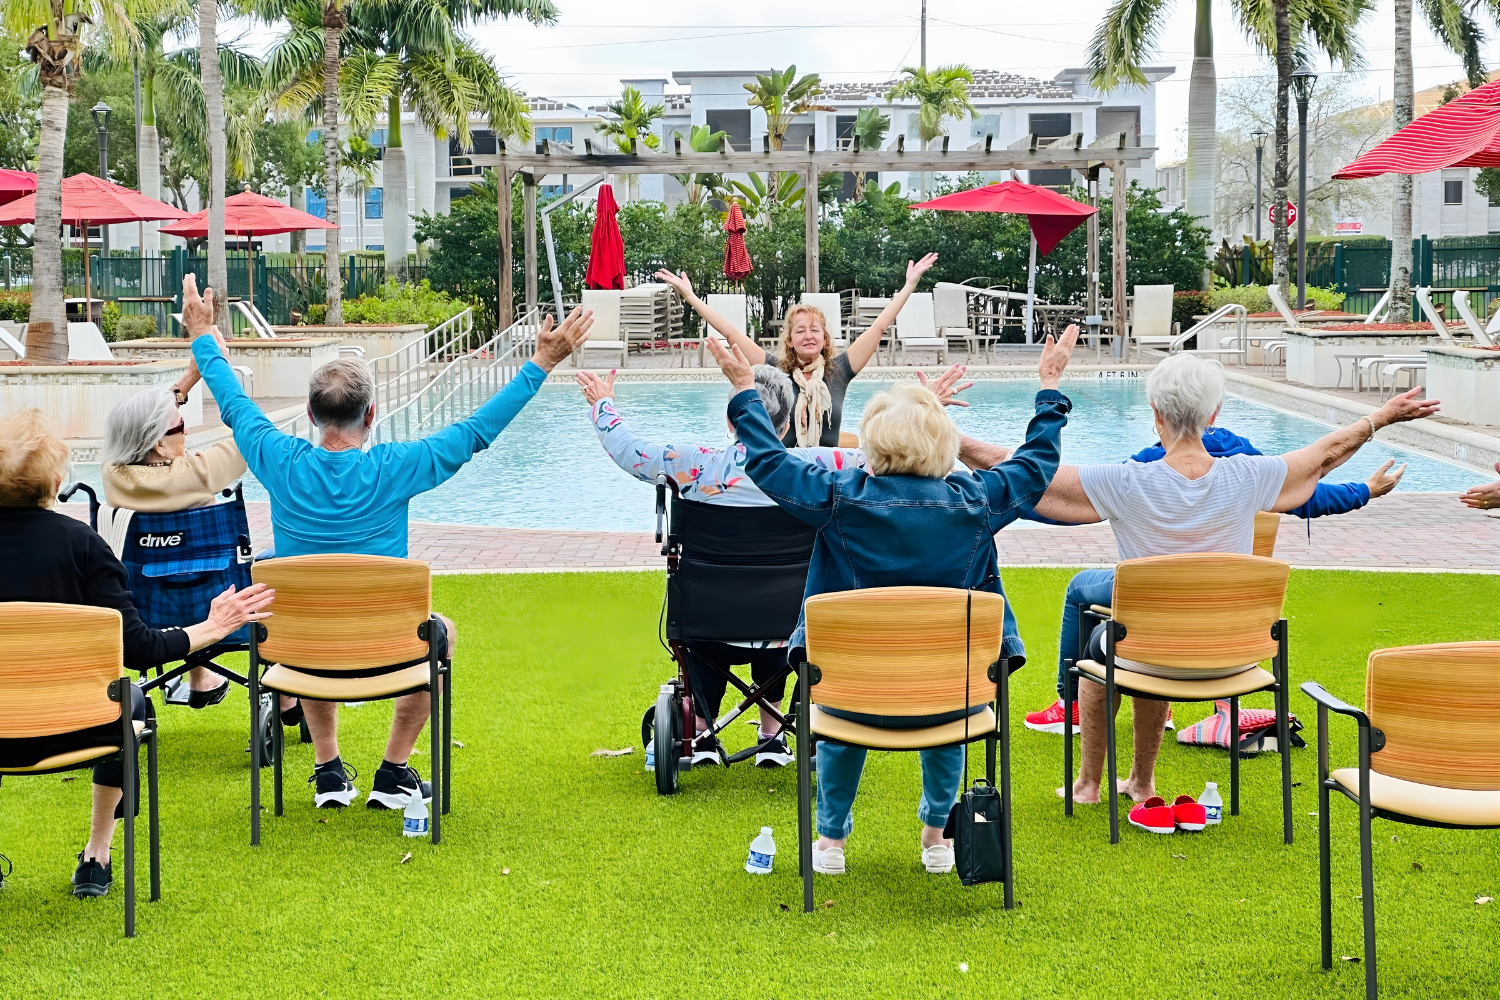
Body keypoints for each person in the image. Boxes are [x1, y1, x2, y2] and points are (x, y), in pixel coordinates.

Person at [181, 274, 594, 811]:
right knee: (439, 632)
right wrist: (541, 362)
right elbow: (475, 432)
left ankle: (328, 770)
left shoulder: (276, 458)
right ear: (370, 416)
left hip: (303, 652)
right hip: (387, 651)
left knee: (311, 623)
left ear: (309, 416)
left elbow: (233, 402)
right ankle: (392, 770)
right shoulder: (398, 466)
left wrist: (203, 335)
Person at [957, 353, 1439, 810]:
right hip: (1231, 657)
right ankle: (1141, 784)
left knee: (1106, 645)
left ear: (1155, 414)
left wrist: (947, 437)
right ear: (1215, 413)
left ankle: (1088, 785)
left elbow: (1024, 477)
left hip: (1148, 650)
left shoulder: (1126, 481)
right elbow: (1325, 455)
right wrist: (1381, 417)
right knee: (1140, 636)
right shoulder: (1252, 475)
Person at [704, 325, 1079, 876]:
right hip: (948, 689)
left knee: (837, 704)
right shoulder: (977, 501)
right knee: (955, 696)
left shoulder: (840, 498)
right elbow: (1035, 465)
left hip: (854, 688)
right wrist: (1049, 386)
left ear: (873, 449)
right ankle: (935, 837)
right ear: (944, 449)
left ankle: (830, 842)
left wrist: (743, 389)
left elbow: (767, 462)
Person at [0, 407, 274, 898]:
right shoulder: (83, 546)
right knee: (132, 699)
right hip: (77, 727)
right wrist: (213, 626)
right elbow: (141, 650)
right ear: (57, 479)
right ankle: (97, 856)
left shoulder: (85, 541)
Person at [977, 429, 1410, 735]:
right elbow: (1312, 489)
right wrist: (1365, 489)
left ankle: (1070, 703)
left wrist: (982, 480)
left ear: (1161, 415)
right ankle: (1149, 711)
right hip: (1227, 626)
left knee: (1083, 591)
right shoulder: (1250, 469)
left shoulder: (1146, 468)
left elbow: (1045, 493)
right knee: (1147, 611)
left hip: (1155, 611)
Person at [98, 325, 274, 711]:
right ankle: (289, 697)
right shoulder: (199, 474)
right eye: (180, 424)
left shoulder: (112, 475)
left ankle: (199, 676)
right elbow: (255, 432)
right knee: (277, 561)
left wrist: (187, 380)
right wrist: (219, 372)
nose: (187, 427)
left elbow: (137, 425)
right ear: (160, 443)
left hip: (149, 607)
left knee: (176, 569)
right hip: (218, 601)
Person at [655, 253, 962, 447]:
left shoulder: (838, 370)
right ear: (789, 340)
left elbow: (878, 327)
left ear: (825, 339)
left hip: (827, 474)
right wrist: (691, 297)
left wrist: (909, 285)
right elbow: (730, 331)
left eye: (815, 330)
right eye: (800, 331)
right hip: (786, 471)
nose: (808, 335)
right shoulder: (775, 371)